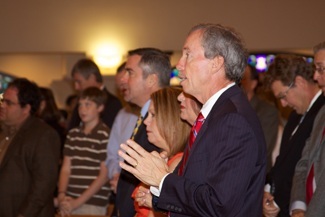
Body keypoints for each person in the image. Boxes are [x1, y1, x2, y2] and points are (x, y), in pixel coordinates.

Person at [119, 23, 266, 216]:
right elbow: (198, 186)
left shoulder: (233, 120)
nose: (179, 64)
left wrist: (161, 179)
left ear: (216, 63)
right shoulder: (216, 113)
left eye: (188, 55)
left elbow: (219, 205)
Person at [263, 54, 324, 217]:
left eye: (283, 96)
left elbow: (305, 168)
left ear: (299, 82)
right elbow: (282, 161)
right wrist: (267, 190)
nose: (283, 104)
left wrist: (279, 202)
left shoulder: (321, 113)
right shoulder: (295, 115)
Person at [114, 48, 171, 217]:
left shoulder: (164, 122)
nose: (123, 80)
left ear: (152, 80)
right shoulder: (143, 115)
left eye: (130, 72)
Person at [133, 90, 202, 216]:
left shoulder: (178, 162)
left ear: (171, 120)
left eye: (153, 115)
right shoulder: (164, 157)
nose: (145, 122)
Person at [0, 78, 61, 217]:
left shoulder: (43, 135)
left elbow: (43, 185)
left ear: (26, 108)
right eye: (3, 100)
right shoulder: (3, 132)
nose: (2, 105)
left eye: (9, 103)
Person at [57, 87, 111, 216]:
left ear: (100, 108)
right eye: (80, 105)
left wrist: (77, 202)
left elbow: (104, 175)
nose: (82, 109)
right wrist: (61, 195)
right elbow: (66, 168)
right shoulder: (73, 134)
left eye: (88, 104)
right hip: (68, 200)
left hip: (93, 202)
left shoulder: (105, 134)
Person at [289, 41, 325, 217]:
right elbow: (303, 164)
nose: (316, 77)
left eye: (321, 69)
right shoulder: (322, 113)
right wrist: (298, 206)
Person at [241, 64, 280, 172]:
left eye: (242, 78)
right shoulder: (227, 108)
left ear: (253, 84)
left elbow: (260, 149)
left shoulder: (267, 111)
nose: (237, 82)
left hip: (254, 175)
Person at [67, 58, 122, 130]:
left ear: (92, 78)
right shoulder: (80, 101)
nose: (76, 87)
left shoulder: (112, 103)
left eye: (79, 82)